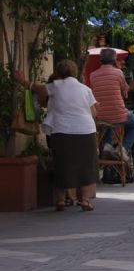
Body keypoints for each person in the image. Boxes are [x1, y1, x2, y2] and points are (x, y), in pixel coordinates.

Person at [15, 61, 98, 211]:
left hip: (62, 130)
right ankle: (85, 200)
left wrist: (22, 80)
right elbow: (94, 113)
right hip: (86, 130)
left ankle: (60, 200)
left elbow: (37, 88)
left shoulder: (55, 86)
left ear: (58, 73)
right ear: (74, 72)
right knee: (86, 165)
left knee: (62, 164)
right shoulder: (86, 89)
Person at [90, 47, 134, 160]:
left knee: (108, 121)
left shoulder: (93, 75)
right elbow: (125, 94)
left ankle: (107, 146)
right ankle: (123, 148)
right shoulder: (118, 73)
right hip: (118, 115)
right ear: (114, 60)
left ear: (101, 60)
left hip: (100, 116)